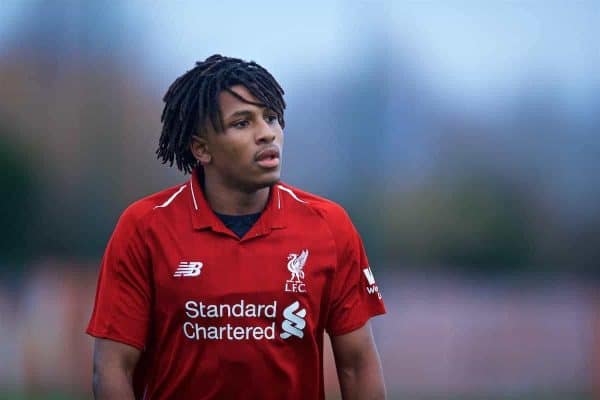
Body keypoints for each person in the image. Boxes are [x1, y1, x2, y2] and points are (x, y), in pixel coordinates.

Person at [87, 54, 386, 400]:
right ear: (202, 148)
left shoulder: (329, 226)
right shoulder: (144, 227)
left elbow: (357, 364)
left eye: (271, 118)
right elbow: (112, 367)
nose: (266, 134)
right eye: (242, 123)